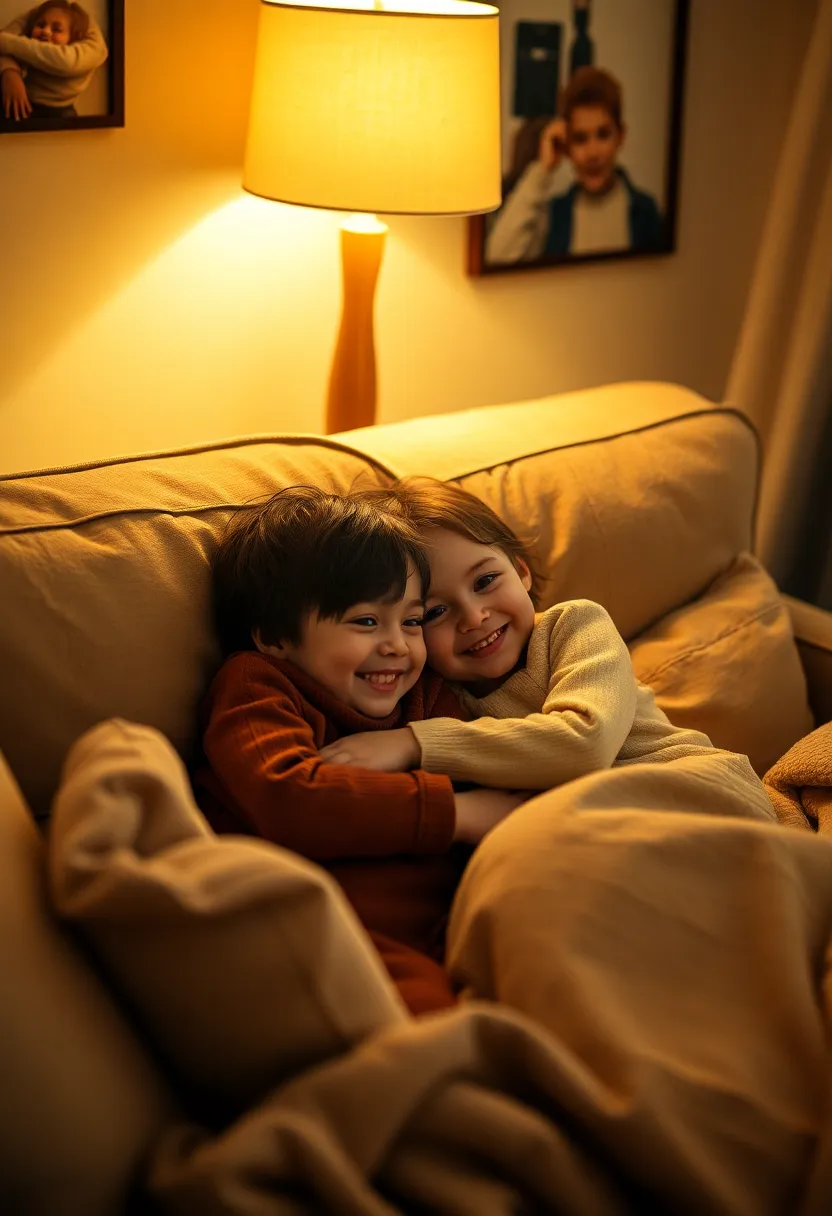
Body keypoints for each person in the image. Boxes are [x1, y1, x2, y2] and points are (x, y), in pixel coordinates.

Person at [193, 486, 523, 1016]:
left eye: (412, 621)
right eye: (366, 621)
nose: (397, 644)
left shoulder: (427, 694)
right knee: (429, 1030)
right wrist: (459, 813)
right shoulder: (260, 685)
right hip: (334, 924)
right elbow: (289, 796)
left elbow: (486, 769)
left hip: (452, 918)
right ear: (275, 636)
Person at [321, 479, 777, 825]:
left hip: (697, 788)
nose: (475, 617)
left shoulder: (573, 626)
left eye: (485, 582)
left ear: (520, 571)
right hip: (604, 821)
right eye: (437, 610)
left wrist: (411, 744)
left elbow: (587, 741)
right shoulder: (441, 698)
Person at [486, 66, 664, 264]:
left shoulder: (645, 211)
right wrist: (542, 170)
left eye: (603, 135)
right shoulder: (555, 216)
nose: (592, 152)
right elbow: (497, 256)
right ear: (566, 146)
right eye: (580, 139)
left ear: (620, 136)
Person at [0, 1, 107, 123]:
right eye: (40, 25)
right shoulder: (24, 46)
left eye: (56, 29)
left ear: (73, 40)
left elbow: (66, 61)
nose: (45, 31)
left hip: (60, 115)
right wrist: (9, 71)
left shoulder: (80, 51)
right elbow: (5, 44)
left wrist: (4, 41)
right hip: (17, 108)